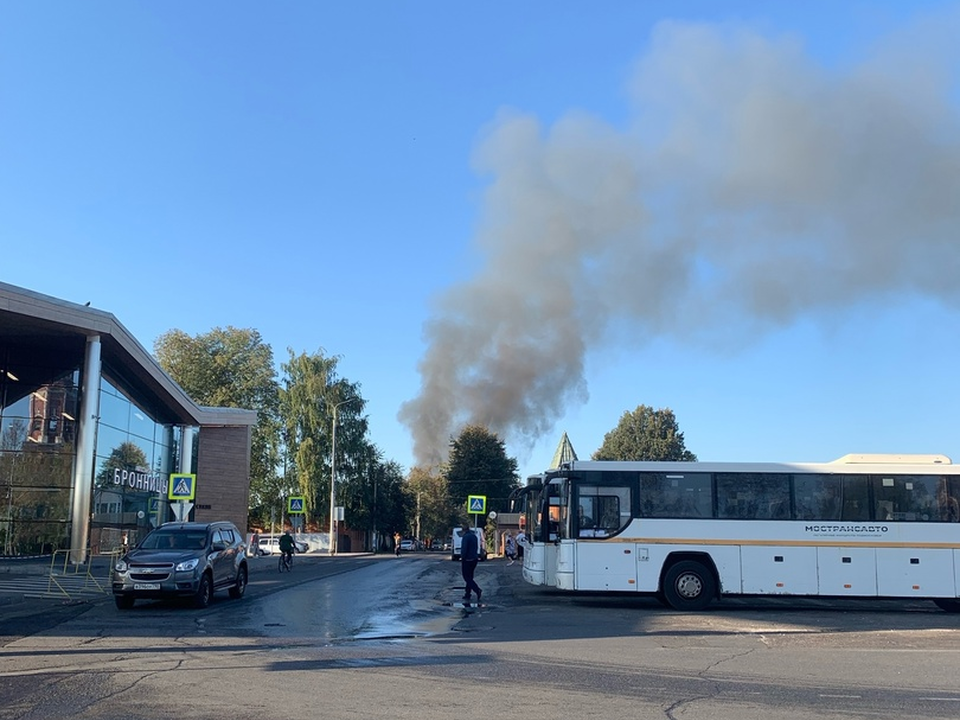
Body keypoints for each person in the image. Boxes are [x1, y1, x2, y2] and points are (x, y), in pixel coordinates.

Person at [459, 522, 482, 604]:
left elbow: (464, 549)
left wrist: (462, 557)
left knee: (466, 577)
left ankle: (477, 590)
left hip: (467, 559)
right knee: (470, 577)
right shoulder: (474, 536)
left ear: (463, 530)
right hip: (474, 559)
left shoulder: (465, 537)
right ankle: (467, 593)